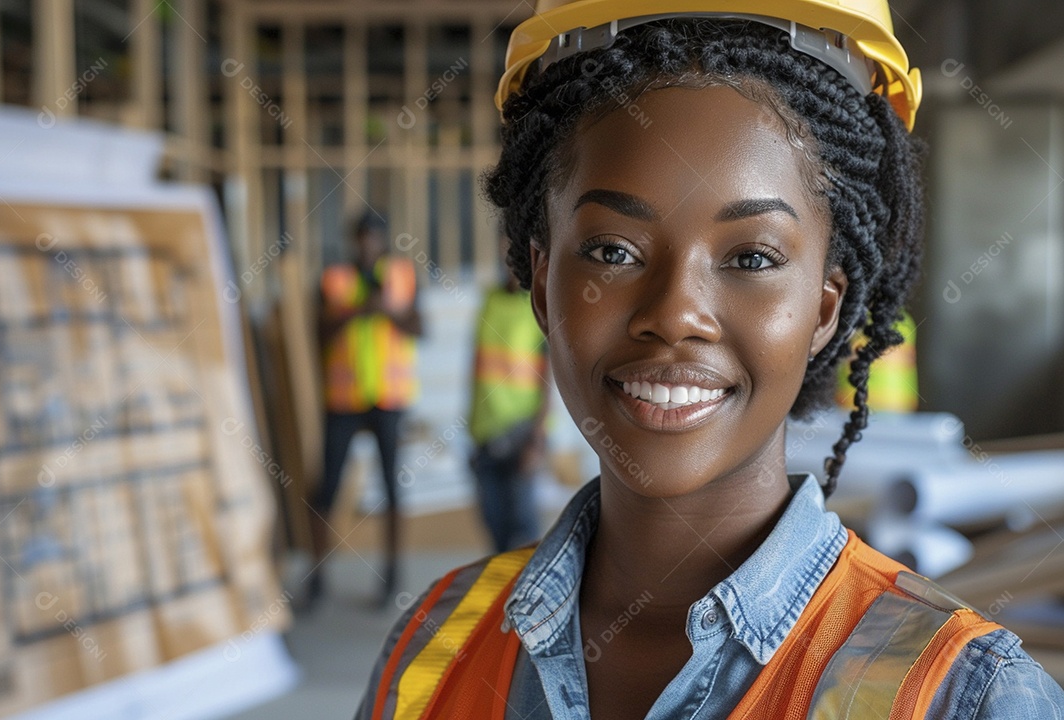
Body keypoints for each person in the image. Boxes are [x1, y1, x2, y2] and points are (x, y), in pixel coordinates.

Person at [355, 2, 1064, 717]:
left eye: (751, 257)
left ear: (825, 309)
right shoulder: (433, 647)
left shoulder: (964, 696)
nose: (674, 315)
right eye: (613, 251)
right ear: (543, 285)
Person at [308, 211, 422, 607]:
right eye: (361, 238)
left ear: (383, 240)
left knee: (391, 488)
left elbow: (420, 328)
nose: (367, 245)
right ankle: (317, 576)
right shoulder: (334, 278)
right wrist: (357, 309)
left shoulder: (402, 276)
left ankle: (392, 577)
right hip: (344, 399)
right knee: (327, 487)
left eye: (373, 238)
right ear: (353, 241)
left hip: (388, 398)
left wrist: (387, 310)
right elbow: (318, 332)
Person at [467, 235, 549, 552]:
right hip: (486, 436)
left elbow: (547, 377)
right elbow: (477, 372)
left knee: (523, 538)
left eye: (513, 248)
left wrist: (537, 439)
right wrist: (472, 433)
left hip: (521, 435)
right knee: (496, 536)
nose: (508, 257)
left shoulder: (536, 305)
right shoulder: (489, 300)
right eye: (503, 248)